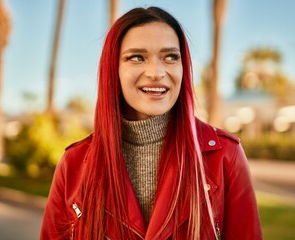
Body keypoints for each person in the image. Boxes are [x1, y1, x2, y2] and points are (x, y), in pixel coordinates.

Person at [40, 6, 262, 240]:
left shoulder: (226, 156)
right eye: (137, 57)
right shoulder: (73, 164)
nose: (156, 72)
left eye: (170, 57)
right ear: (113, 69)